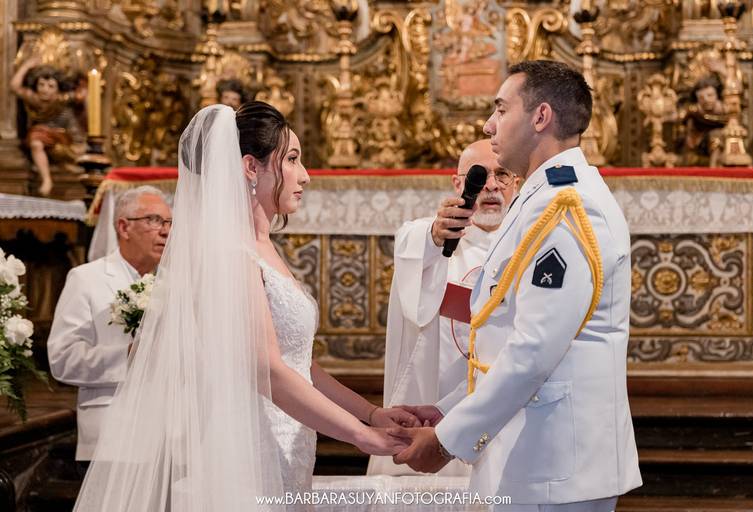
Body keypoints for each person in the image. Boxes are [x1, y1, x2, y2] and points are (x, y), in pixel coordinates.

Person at [72, 103, 411, 512]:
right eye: (292, 159)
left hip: (288, 439)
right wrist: (360, 436)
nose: (305, 175)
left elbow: (299, 365)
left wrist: (371, 414)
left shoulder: (264, 249)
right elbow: (267, 370)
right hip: (249, 446)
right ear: (251, 167)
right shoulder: (232, 254)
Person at [390, 60, 642, 511]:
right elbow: (505, 335)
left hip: (556, 463)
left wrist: (447, 440)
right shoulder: (542, 196)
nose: (489, 125)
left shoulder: (567, 208)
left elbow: (533, 350)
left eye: (501, 110)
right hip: (535, 452)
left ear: (540, 117)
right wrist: (450, 408)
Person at [368, 139, 519, 477]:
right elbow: (413, 244)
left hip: (504, 403)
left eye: (502, 175)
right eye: (479, 175)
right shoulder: (433, 237)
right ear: (457, 183)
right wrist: (436, 235)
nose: (491, 185)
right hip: (435, 401)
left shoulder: (527, 241)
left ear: (516, 182)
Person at [47, 186, 171, 465]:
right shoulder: (86, 279)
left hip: (167, 441)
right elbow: (62, 359)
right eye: (154, 220)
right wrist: (126, 355)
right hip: (111, 437)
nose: (165, 231)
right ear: (124, 227)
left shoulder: (173, 283)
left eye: (169, 222)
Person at [11, 56, 86, 196]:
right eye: (41, 85)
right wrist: (26, 66)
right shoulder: (35, 99)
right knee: (35, 141)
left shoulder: (62, 99)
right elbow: (15, 87)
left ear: (58, 89)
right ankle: (46, 180)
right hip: (43, 137)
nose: (45, 90)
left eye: (51, 86)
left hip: (66, 136)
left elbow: (80, 95)